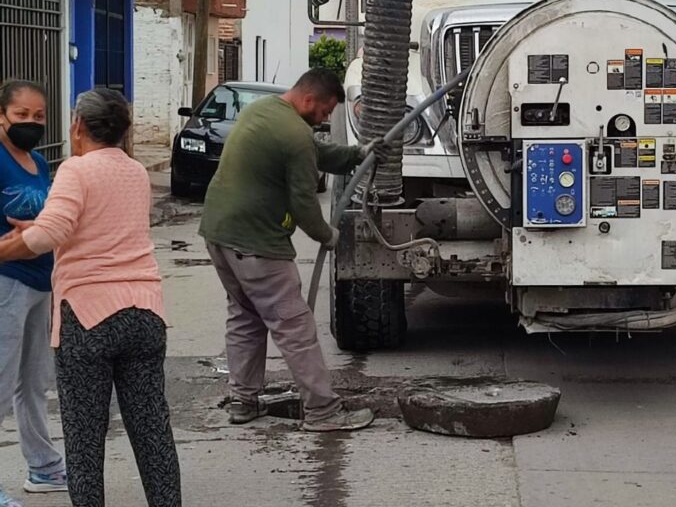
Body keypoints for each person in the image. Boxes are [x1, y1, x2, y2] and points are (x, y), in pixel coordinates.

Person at [0, 88, 182, 507]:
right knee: (152, 430)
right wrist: (37, 228)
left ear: (78, 125)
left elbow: (50, 234)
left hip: (89, 318)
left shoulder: (75, 171)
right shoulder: (136, 172)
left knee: (85, 441)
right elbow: (96, 225)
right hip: (144, 312)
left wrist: (12, 244)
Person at [200, 68, 390, 431]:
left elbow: (316, 153)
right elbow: (304, 203)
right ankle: (323, 411)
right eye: (325, 110)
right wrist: (328, 236)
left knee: (245, 316)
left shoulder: (264, 111)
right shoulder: (295, 134)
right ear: (308, 100)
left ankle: (243, 401)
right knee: (295, 327)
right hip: (257, 243)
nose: (326, 117)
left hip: (219, 235)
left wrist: (358, 154)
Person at [0, 80, 67, 507]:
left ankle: (42, 466)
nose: (31, 123)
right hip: (6, 281)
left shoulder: (39, 163)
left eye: (38, 116)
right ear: (2, 115)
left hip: (42, 281)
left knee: (33, 381)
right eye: (21, 115)